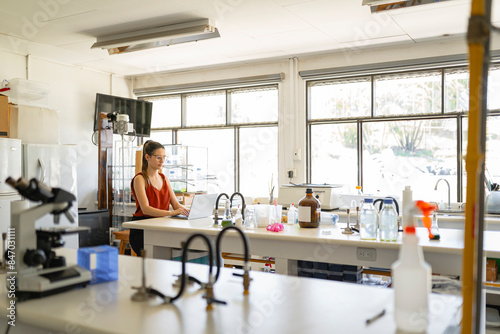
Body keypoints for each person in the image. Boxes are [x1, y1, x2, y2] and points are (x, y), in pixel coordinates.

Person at [129, 140, 189, 255]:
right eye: (158, 157)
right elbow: (146, 209)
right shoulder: (140, 179)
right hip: (143, 230)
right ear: (147, 157)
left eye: (164, 157)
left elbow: (176, 205)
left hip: (161, 226)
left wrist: (187, 211)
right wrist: (171, 213)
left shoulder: (164, 178)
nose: (162, 161)